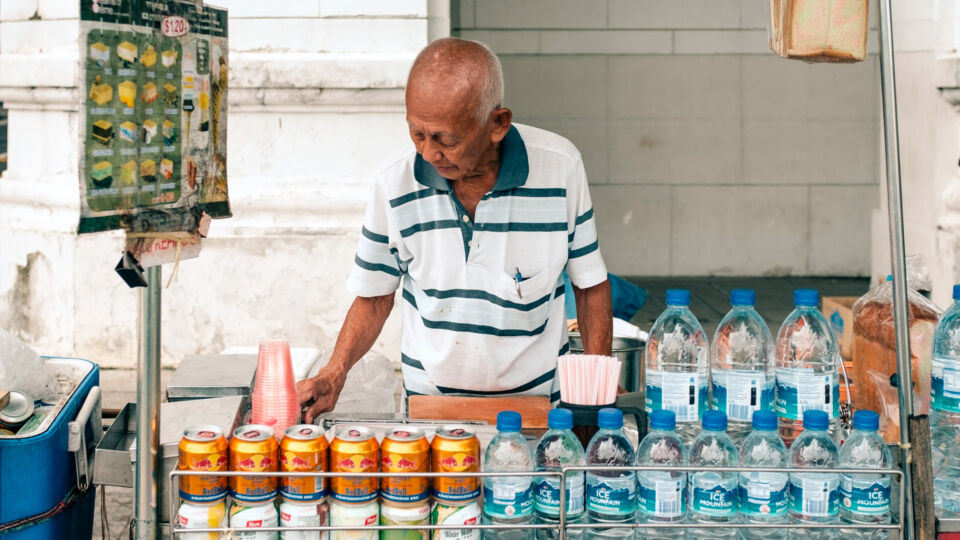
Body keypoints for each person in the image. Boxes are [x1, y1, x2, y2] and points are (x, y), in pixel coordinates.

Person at [297, 37, 612, 422]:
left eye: (446, 139)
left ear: (497, 124)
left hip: (540, 410)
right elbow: (374, 296)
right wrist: (335, 371)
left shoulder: (560, 168)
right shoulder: (394, 185)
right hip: (431, 409)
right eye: (417, 133)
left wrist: (595, 398)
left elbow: (589, 283)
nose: (429, 153)